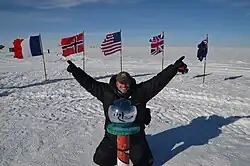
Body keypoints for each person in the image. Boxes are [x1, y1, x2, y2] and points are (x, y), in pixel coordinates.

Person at [66, 56, 188, 166]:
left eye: (127, 83)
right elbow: (89, 83)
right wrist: (75, 71)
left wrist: (173, 68)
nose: (124, 85)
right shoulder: (106, 92)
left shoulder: (140, 92)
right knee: (101, 160)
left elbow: (158, 81)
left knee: (144, 163)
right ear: (116, 82)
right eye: (121, 83)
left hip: (136, 136)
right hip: (112, 136)